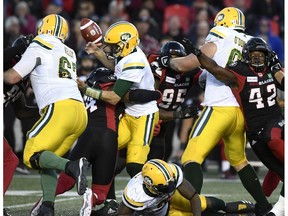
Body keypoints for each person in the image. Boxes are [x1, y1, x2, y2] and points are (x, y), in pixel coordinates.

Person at [158, 7, 273, 215]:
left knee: (191, 157)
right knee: (239, 161)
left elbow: (191, 63)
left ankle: (192, 209)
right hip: (240, 111)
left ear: (222, 21)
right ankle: (264, 206)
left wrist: (170, 62)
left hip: (218, 106)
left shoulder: (221, 33)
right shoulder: (250, 40)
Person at [186, 36, 284, 216]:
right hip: (255, 133)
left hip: (274, 125)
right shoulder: (240, 71)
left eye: (261, 55)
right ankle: (266, 205)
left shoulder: (272, 67)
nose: (257, 58)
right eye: (254, 55)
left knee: (280, 162)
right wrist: (199, 55)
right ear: (246, 55)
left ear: (267, 56)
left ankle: (275, 210)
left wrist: (278, 69)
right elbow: (215, 69)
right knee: (276, 168)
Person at [4, 14, 90, 216]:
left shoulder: (39, 43)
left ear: (44, 28)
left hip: (60, 108)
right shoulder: (69, 51)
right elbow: (22, 109)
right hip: (79, 112)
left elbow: (13, 76)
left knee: (30, 154)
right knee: (46, 158)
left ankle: (71, 166)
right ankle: (47, 206)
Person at [79, 21, 159, 179]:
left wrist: (87, 90)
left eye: (115, 46)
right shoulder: (129, 55)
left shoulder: (135, 61)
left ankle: (151, 199)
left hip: (144, 115)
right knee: (105, 150)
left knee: (134, 166)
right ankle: (109, 200)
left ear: (125, 43)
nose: (113, 49)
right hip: (129, 113)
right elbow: (116, 67)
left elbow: (115, 97)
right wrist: (97, 52)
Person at [117, 158, 255, 216]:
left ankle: (255, 207)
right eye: (165, 187)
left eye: (171, 183)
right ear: (149, 184)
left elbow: (193, 197)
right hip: (162, 213)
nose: (170, 188)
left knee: (209, 204)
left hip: (173, 201)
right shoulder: (134, 195)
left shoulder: (172, 174)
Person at [3, 35, 40, 216]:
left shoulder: (20, 81)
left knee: (10, 160)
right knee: (9, 160)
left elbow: (22, 111)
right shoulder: (6, 65)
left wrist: (43, 110)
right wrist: (23, 48)